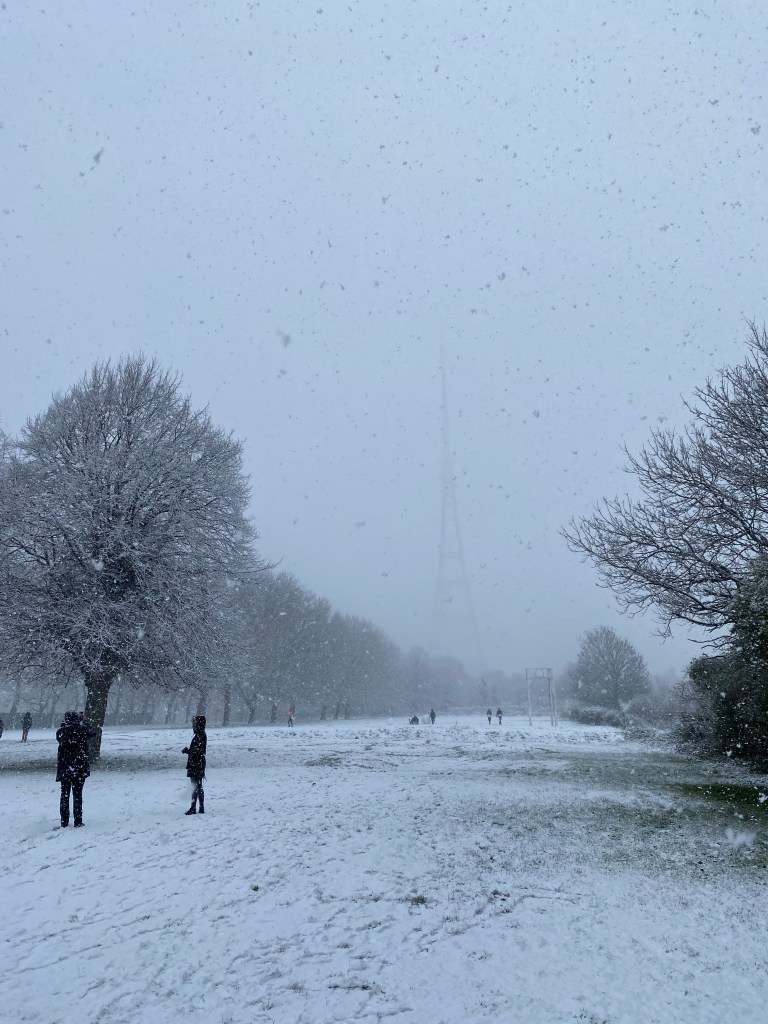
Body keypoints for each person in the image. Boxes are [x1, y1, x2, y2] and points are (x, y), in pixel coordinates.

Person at [56, 711, 93, 827]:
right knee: (77, 794)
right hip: (79, 767)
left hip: (65, 768)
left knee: (64, 794)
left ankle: (64, 821)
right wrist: (85, 722)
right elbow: (91, 733)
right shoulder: (82, 731)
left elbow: (60, 737)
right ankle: (78, 820)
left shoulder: (61, 732)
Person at [182, 715, 207, 815]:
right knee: (198, 785)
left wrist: (188, 751)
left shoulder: (199, 736)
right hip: (198, 763)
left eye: (195, 723)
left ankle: (194, 807)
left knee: (195, 786)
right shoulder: (201, 735)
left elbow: (197, 751)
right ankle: (201, 807)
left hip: (196, 764)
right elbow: (199, 751)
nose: (193, 726)